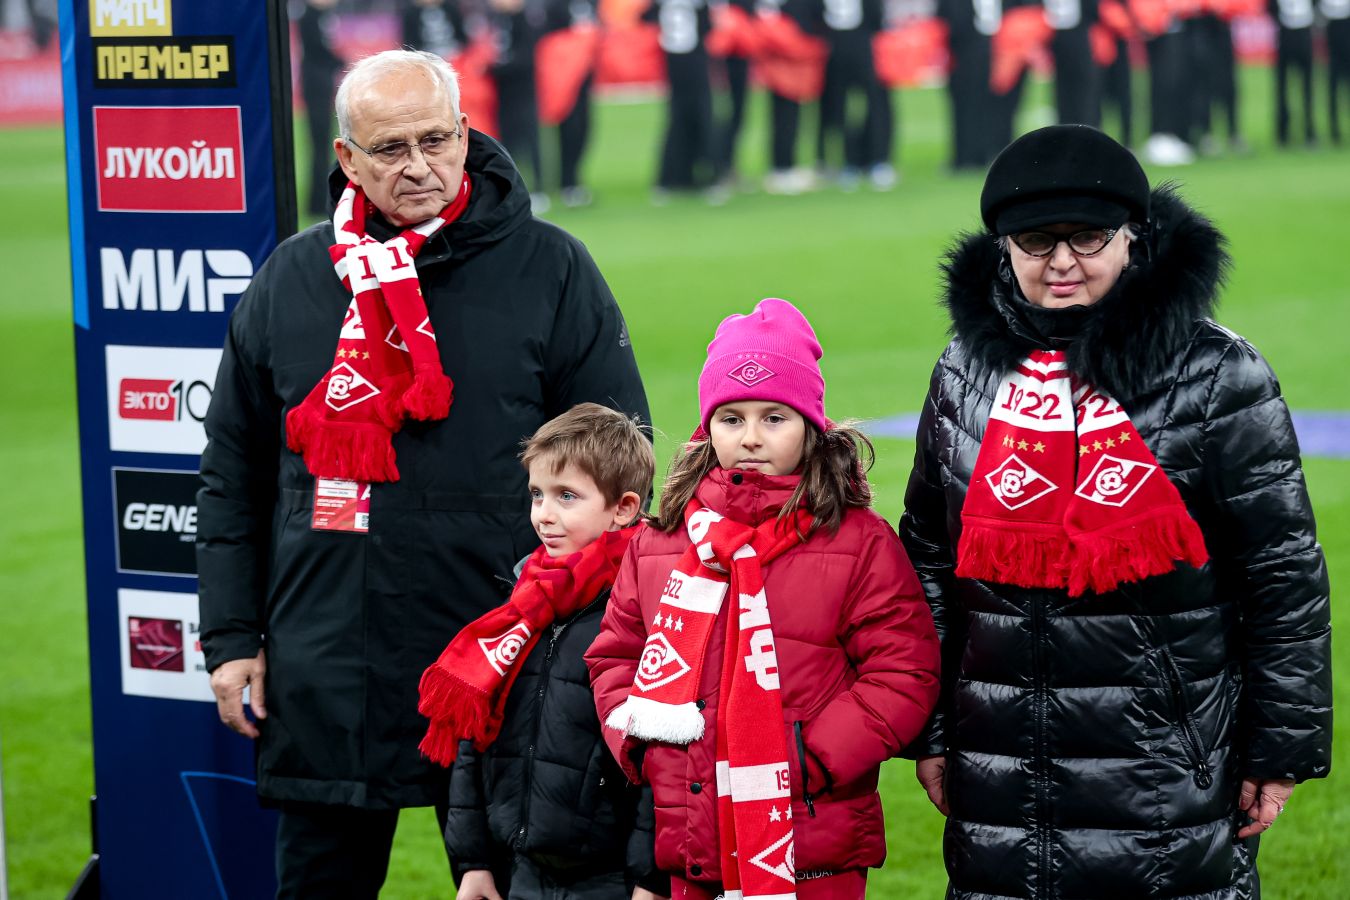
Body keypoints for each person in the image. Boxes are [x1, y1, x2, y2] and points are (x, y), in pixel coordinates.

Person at [197, 49, 650, 898]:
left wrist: (591, 636)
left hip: (505, 649)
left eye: (436, 140)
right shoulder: (293, 277)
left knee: (513, 884)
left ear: (466, 134)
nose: (419, 166)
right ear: (346, 158)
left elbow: (622, 461)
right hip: (327, 654)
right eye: (390, 148)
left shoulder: (551, 267)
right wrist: (229, 640)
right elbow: (232, 474)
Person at [901, 124, 1332, 898]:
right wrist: (930, 729)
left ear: (1133, 235)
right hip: (999, 773)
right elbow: (927, 559)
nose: (1062, 261)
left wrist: (1281, 750)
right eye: (1037, 241)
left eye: (1088, 237)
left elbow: (1282, 577)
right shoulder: (963, 373)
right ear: (1004, 247)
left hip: (1168, 771)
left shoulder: (1217, 375)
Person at [588, 298, 942, 899]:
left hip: (814, 848)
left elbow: (903, 670)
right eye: (731, 418)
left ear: (809, 425)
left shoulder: (858, 541)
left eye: (774, 417)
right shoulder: (662, 540)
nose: (751, 437)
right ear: (708, 427)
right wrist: (645, 746)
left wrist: (808, 758)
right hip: (694, 848)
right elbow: (615, 655)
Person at [418, 403, 667, 900]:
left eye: (566, 496)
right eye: (537, 494)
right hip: (522, 871)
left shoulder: (644, 608)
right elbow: (475, 738)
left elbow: (663, 759)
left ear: (623, 508)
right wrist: (473, 862)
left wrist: (651, 879)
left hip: (612, 879)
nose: (543, 515)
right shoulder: (525, 601)